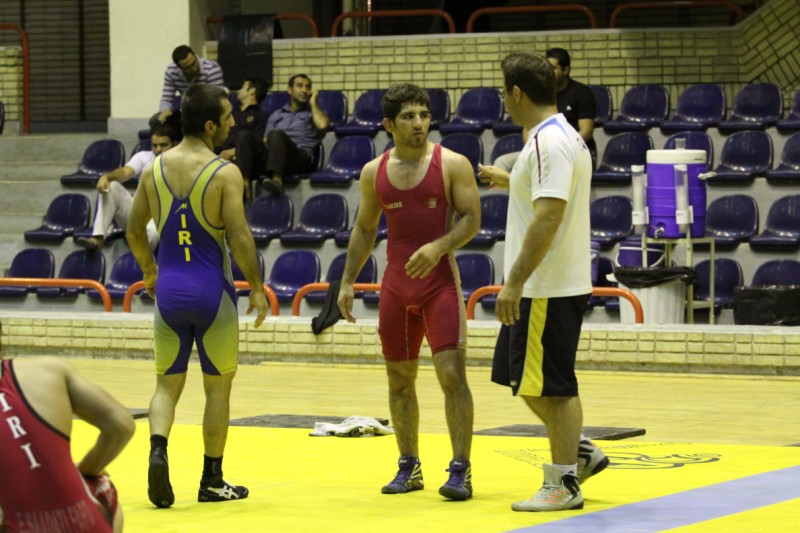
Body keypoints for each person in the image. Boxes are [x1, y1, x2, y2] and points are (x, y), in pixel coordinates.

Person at [127, 83, 268, 508]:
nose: (232, 123)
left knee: (166, 386)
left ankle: (157, 450)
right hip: (213, 295)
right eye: (227, 117)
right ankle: (212, 480)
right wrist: (256, 287)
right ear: (209, 126)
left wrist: (149, 270)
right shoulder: (225, 173)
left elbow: (134, 231)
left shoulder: (153, 169)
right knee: (217, 390)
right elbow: (240, 238)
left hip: (169, 292)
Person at [337, 83, 481, 501]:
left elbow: (472, 219)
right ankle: (409, 465)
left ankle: (460, 468)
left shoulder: (452, 163)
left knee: (451, 375)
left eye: (424, 115)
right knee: (399, 379)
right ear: (389, 124)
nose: (419, 123)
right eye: (409, 117)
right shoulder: (373, 172)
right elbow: (365, 228)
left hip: (440, 285)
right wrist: (347, 280)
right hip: (397, 289)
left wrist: (438, 247)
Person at [483, 51, 607, 513]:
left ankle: (563, 481)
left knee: (552, 387)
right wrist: (510, 180)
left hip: (544, 286)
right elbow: (546, 195)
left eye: (504, 92)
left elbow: (549, 216)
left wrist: (514, 283)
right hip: (552, 283)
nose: (503, 101)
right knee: (520, 377)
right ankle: (578, 451)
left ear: (517, 93)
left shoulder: (547, 143)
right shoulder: (561, 136)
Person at [0, 321, 135, 532]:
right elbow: (122, 425)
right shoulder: (48, 370)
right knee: (100, 485)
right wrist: (86, 470)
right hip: (90, 524)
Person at [481, 47, 597, 178]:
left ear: (517, 94)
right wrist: (531, 149)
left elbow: (586, 130)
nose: (549, 72)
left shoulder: (552, 141)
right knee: (502, 162)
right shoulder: (544, 133)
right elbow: (528, 127)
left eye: (504, 94)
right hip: (549, 147)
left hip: (566, 150)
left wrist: (564, 147)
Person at [76, 126, 178, 252]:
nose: (158, 149)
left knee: (152, 232)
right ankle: (98, 238)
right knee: (112, 186)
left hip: (163, 214)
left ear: (174, 145)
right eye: (154, 145)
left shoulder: (182, 163)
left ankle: (141, 261)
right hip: (138, 209)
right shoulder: (144, 156)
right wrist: (106, 177)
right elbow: (125, 172)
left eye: (163, 145)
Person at [235, 73, 329, 196]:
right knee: (244, 135)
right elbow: (265, 140)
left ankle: (277, 181)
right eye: (299, 86)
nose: (304, 90)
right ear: (290, 90)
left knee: (276, 134)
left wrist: (313, 103)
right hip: (276, 156)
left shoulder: (312, 114)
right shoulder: (277, 115)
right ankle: (244, 185)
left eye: (307, 87)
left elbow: (323, 126)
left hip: (299, 159)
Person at [149, 45, 226, 134]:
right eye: (188, 68)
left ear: (195, 56)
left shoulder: (212, 68)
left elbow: (218, 99)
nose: (194, 68)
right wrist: (165, 110)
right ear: (179, 68)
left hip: (207, 109)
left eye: (194, 63)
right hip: (187, 110)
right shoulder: (172, 71)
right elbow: (166, 99)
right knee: (155, 121)